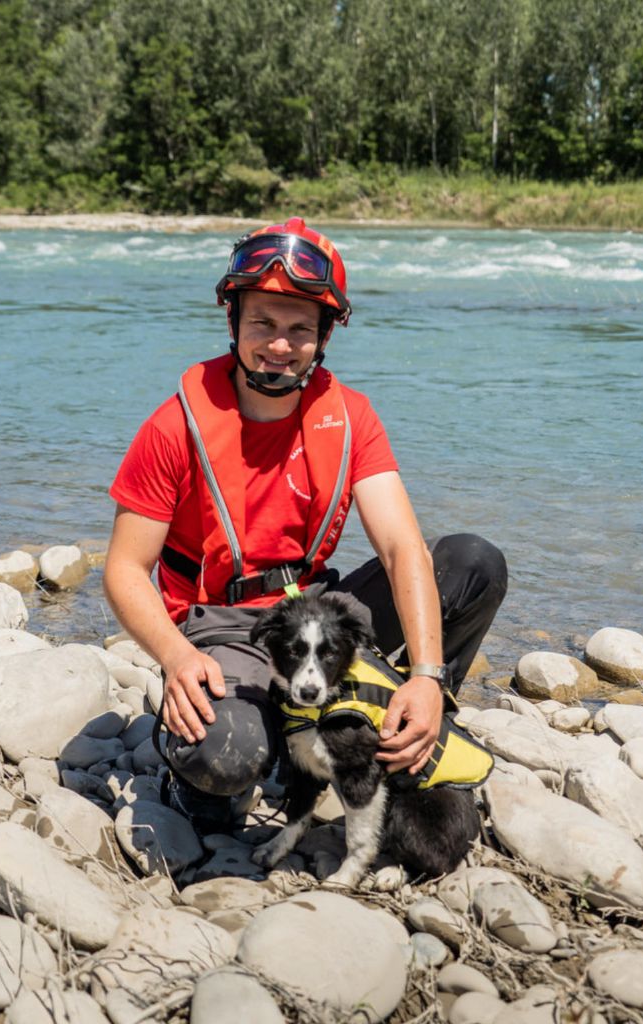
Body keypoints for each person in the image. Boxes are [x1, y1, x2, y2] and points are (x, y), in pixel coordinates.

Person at [104, 217, 507, 833]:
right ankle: (196, 770)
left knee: (473, 563)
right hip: (220, 628)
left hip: (314, 609)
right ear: (234, 320)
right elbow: (124, 569)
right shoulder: (173, 426)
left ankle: (411, 717)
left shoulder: (349, 418)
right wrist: (176, 656)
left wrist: (426, 676)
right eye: (263, 322)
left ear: (324, 337)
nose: (279, 344)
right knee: (226, 759)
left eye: (300, 329)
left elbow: (402, 550)